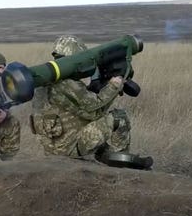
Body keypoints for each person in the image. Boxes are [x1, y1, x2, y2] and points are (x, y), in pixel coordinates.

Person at [30, 35, 151, 168]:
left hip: (53, 148)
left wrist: (94, 89)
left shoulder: (45, 81)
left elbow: (75, 107)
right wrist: (113, 86)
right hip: (68, 149)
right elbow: (94, 112)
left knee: (93, 126)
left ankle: (106, 156)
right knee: (119, 118)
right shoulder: (67, 83)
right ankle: (121, 165)